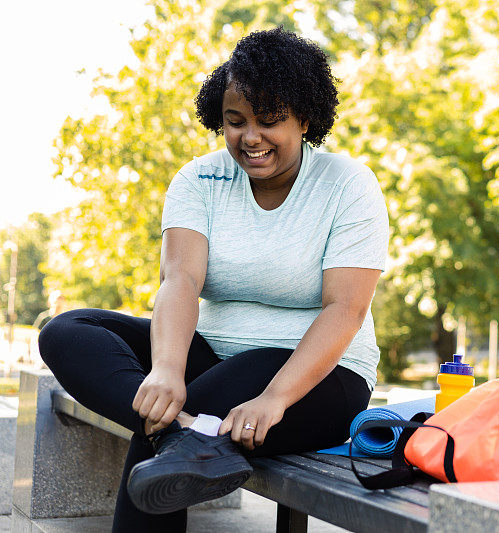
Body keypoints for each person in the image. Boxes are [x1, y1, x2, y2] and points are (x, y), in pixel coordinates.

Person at [39, 27, 389, 532]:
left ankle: (180, 429)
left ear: (305, 119)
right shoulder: (199, 179)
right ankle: (187, 430)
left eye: (270, 121)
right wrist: (164, 371)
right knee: (67, 332)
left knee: (159, 430)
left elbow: (346, 310)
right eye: (235, 121)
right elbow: (180, 279)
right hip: (212, 360)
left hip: (315, 379)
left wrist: (272, 398)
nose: (251, 137)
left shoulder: (348, 185)